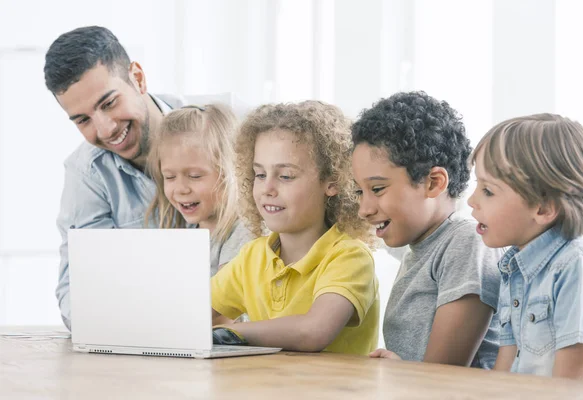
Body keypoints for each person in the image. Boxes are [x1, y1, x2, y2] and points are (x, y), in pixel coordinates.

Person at [44, 26, 229, 329]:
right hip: (156, 340)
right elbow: (78, 295)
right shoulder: (87, 173)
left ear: (138, 79)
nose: (105, 129)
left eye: (109, 104)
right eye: (83, 120)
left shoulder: (228, 124)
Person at [210, 101, 379, 354]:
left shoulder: (350, 257)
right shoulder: (251, 258)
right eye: (259, 174)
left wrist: (231, 334)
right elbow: (190, 314)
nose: (267, 189)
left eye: (285, 176)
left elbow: (313, 331)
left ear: (332, 182)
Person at [352, 91, 502, 368]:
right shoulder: (419, 249)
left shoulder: (464, 243)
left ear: (433, 183)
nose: (364, 208)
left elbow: (441, 375)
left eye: (377, 189)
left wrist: (397, 371)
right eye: (359, 191)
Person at [468, 113, 583, 380]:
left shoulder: (576, 265)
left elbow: (568, 387)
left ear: (543, 207)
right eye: (477, 186)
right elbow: (504, 372)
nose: (472, 200)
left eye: (488, 191)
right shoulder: (512, 267)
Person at [145, 105, 254, 275]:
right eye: (170, 177)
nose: (180, 189)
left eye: (195, 176)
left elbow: (223, 299)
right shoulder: (189, 232)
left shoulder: (243, 234)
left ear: (231, 171)